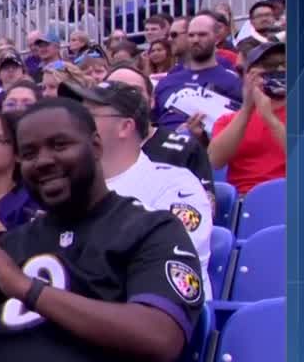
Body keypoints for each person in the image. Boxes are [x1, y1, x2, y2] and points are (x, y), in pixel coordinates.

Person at [0, 98, 206, 362]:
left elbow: (161, 338)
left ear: (96, 146)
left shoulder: (152, 229)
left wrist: (30, 290)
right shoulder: (12, 244)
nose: (44, 161)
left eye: (59, 145)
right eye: (29, 153)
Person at [60, 81, 213, 296]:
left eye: (88, 115)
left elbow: (172, 257)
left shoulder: (174, 184)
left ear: (125, 127)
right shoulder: (69, 187)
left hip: (155, 312)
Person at [105, 65, 216, 208]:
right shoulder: (91, 149)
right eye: (114, 91)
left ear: (152, 101)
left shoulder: (185, 149)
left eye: (134, 91)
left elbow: (206, 209)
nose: (125, 99)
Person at [209, 41, 287, 194]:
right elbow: (215, 161)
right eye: (270, 65)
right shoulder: (228, 120)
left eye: (285, 64)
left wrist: (270, 119)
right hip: (245, 200)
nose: (280, 70)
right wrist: (246, 109)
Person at [152, 13, 242, 130]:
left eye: (202, 35)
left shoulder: (233, 82)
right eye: (191, 35)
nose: (195, 40)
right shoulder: (166, 82)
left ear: (216, 38)